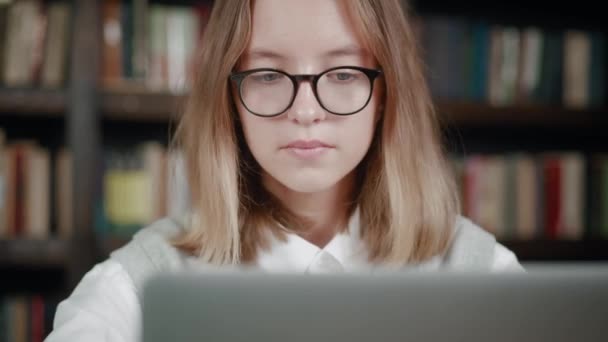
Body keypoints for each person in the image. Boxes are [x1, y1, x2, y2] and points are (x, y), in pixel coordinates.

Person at [46, 0, 523, 341]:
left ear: (385, 95)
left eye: (342, 74)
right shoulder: (138, 286)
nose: (307, 110)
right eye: (269, 75)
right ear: (230, 99)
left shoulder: (483, 273)